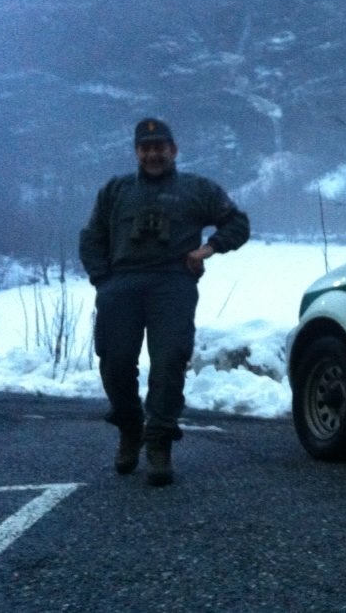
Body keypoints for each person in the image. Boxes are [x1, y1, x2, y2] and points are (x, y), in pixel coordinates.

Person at [79, 117, 250, 486]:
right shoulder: (116, 190)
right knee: (116, 364)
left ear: (173, 150)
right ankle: (129, 428)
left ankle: (159, 443)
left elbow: (238, 223)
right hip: (120, 285)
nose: (153, 154)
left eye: (160, 147)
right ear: (137, 151)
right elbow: (91, 238)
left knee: (170, 361)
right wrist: (103, 282)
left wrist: (208, 248)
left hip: (173, 284)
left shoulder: (198, 189)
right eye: (146, 148)